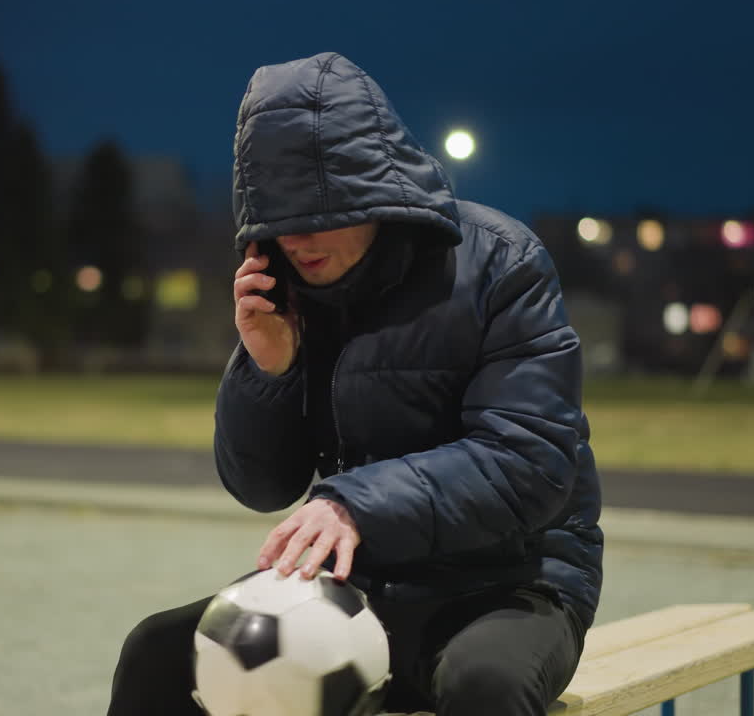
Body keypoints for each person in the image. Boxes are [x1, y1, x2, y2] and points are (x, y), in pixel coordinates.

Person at [108, 52, 602, 716]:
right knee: (157, 653)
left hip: (510, 584)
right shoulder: (288, 294)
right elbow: (261, 487)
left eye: (322, 212)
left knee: (485, 686)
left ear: (374, 189)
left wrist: (354, 506)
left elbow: (532, 463)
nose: (300, 239)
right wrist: (269, 368)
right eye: (279, 220)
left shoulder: (501, 263)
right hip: (356, 583)